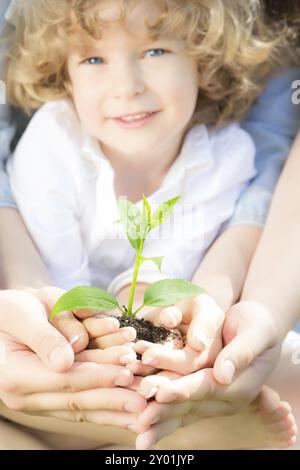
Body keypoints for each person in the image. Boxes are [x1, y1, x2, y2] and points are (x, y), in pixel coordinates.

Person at [0, 0, 298, 450]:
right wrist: (97, 333)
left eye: (155, 51)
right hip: (66, 333)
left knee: (279, 367)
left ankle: (126, 434)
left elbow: (167, 280)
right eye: (94, 59)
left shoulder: (224, 156)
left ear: (202, 59)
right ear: (66, 77)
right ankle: (192, 434)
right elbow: (54, 280)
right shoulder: (53, 142)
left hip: (155, 341)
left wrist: (145, 319)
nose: (127, 87)